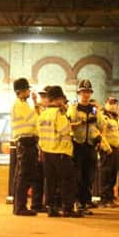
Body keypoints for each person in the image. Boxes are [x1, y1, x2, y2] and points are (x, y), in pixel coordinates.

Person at [37, 86, 82, 217]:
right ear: (57, 99)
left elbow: (39, 133)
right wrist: (69, 122)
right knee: (67, 180)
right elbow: (65, 131)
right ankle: (68, 208)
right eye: (62, 99)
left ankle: (51, 208)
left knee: (50, 181)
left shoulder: (43, 114)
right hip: (61, 152)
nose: (63, 102)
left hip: (47, 152)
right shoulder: (59, 114)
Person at [67, 79, 103, 215]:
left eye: (88, 92)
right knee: (77, 175)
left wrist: (98, 137)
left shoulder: (93, 108)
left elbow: (100, 125)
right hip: (78, 144)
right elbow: (69, 124)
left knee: (89, 176)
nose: (86, 95)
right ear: (79, 93)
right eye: (83, 92)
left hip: (90, 145)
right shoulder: (74, 108)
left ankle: (84, 203)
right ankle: (76, 202)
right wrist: (82, 122)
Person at [10, 77, 43, 216]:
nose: (29, 91)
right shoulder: (20, 105)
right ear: (22, 91)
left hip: (27, 142)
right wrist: (38, 105)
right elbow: (36, 120)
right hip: (26, 142)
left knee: (24, 176)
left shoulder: (23, 104)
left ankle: (20, 206)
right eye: (28, 89)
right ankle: (20, 207)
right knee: (23, 176)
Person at [99, 96, 119, 208]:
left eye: (114, 103)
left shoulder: (116, 118)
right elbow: (101, 134)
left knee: (113, 174)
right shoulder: (103, 117)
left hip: (116, 149)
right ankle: (104, 199)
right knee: (106, 174)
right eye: (110, 103)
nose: (113, 105)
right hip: (107, 149)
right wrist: (106, 147)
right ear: (105, 103)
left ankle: (110, 198)